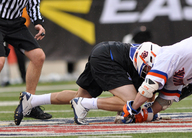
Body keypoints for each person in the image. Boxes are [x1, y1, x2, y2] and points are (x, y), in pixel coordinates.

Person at [14, 41, 150, 125]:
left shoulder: (160, 59)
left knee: (80, 96)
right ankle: (83, 105)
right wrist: (148, 113)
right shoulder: (161, 67)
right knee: (133, 102)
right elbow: (145, 96)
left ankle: (32, 100)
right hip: (109, 57)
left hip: (103, 50)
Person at [1, 0, 52, 122]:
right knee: (0, 61)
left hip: (15, 23)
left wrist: (38, 21)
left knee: (38, 57)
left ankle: (28, 104)